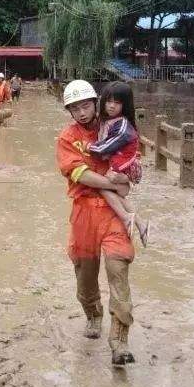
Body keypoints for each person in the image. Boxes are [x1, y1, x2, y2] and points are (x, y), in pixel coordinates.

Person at [56, 80, 137, 366]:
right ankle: (93, 313)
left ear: (96, 103)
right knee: (85, 274)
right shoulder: (67, 138)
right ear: (69, 110)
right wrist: (115, 187)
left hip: (113, 215)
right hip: (84, 212)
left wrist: (129, 177)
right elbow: (80, 174)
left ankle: (120, 341)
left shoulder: (114, 127)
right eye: (75, 108)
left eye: (86, 105)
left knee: (119, 269)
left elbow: (133, 157)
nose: (81, 112)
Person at [87, 81, 148, 246]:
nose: (111, 106)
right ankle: (140, 223)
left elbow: (106, 146)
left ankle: (126, 217)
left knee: (102, 186)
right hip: (121, 164)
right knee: (114, 191)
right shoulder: (108, 120)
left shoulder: (122, 126)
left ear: (125, 105)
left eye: (117, 102)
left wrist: (87, 147)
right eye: (108, 101)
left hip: (126, 167)